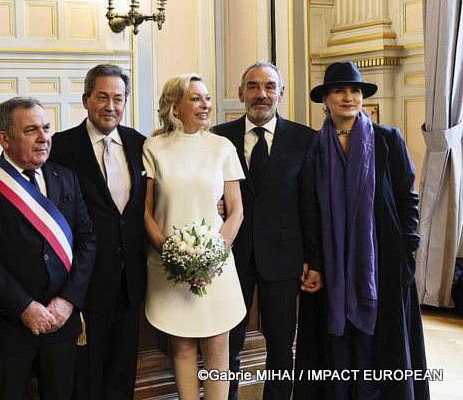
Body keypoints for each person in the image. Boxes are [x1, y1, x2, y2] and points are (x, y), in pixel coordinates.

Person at [294, 61, 429, 399]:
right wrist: (316, 259)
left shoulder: (388, 139)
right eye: (339, 90)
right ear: (325, 98)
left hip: (382, 257)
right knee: (337, 336)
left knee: (383, 333)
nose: (348, 97)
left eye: (354, 90)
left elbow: (407, 197)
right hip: (330, 258)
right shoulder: (312, 147)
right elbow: (308, 206)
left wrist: (407, 248)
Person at [0, 96, 96, 400]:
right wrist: (24, 307)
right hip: (8, 324)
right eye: (31, 130)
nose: (43, 138)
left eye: (47, 128)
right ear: (4, 139)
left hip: (60, 322)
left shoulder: (65, 176)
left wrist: (68, 301)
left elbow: (87, 240)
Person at [211, 61, 322, 400]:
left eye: (270, 87)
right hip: (231, 257)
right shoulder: (217, 136)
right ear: (241, 93)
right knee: (227, 343)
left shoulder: (305, 138)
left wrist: (314, 259)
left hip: (285, 259)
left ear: (281, 93)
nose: (262, 94)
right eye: (254, 87)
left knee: (279, 346)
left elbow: (310, 204)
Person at [143, 73, 245, 400]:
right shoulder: (153, 147)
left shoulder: (223, 147)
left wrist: (210, 260)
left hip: (216, 267)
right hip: (168, 265)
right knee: (183, 347)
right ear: (175, 106)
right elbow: (145, 212)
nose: (206, 105)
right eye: (196, 98)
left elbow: (236, 211)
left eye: (208, 98)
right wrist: (175, 258)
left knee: (217, 348)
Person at [48, 64, 147, 400]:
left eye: (118, 98)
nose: (110, 106)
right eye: (102, 97)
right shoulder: (60, 147)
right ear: (86, 99)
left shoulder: (139, 143)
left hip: (131, 278)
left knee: (122, 372)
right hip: (85, 280)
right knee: (86, 375)